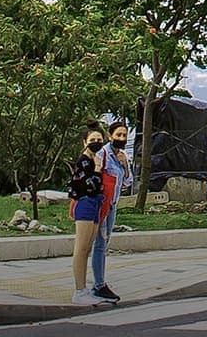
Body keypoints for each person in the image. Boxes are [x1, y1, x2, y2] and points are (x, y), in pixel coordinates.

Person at [90, 119, 131, 303]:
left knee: (104, 243)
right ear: (110, 136)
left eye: (124, 135)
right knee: (99, 244)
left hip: (113, 205)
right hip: (101, 204)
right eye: (118, 135)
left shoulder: (122, 156)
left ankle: (99, 283)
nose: (121, 138)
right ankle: (99, 285)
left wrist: (125, 166)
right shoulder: (103, 153)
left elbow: (127, 182)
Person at [68, 123, 109, 307]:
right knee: (81, 248)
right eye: (92, 139)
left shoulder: (95, 159)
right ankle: (79, 291)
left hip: (95, 205)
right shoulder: (83, 161)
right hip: (85, 203)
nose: (96, 142)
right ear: (84, 142)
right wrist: (98, 169)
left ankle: (84, 289)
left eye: (99, 139)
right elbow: (90, 185)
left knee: (87, 249)